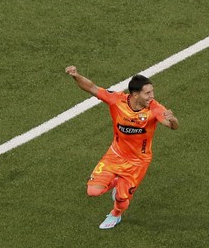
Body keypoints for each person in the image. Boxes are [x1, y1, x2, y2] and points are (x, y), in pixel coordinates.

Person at [65, 65, 179, 229]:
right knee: (93, 192)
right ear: (135, 94)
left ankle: (115, 214)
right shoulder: (117, 100)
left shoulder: (154, 108)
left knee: (121, 199)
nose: (152, 96)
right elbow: (92, 88)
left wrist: (173, 119)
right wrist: (75, 75)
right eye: (147, 93)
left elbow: (171, 125)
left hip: (138, 163)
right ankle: (117, 180)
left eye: (152, 92)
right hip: (115, 155)